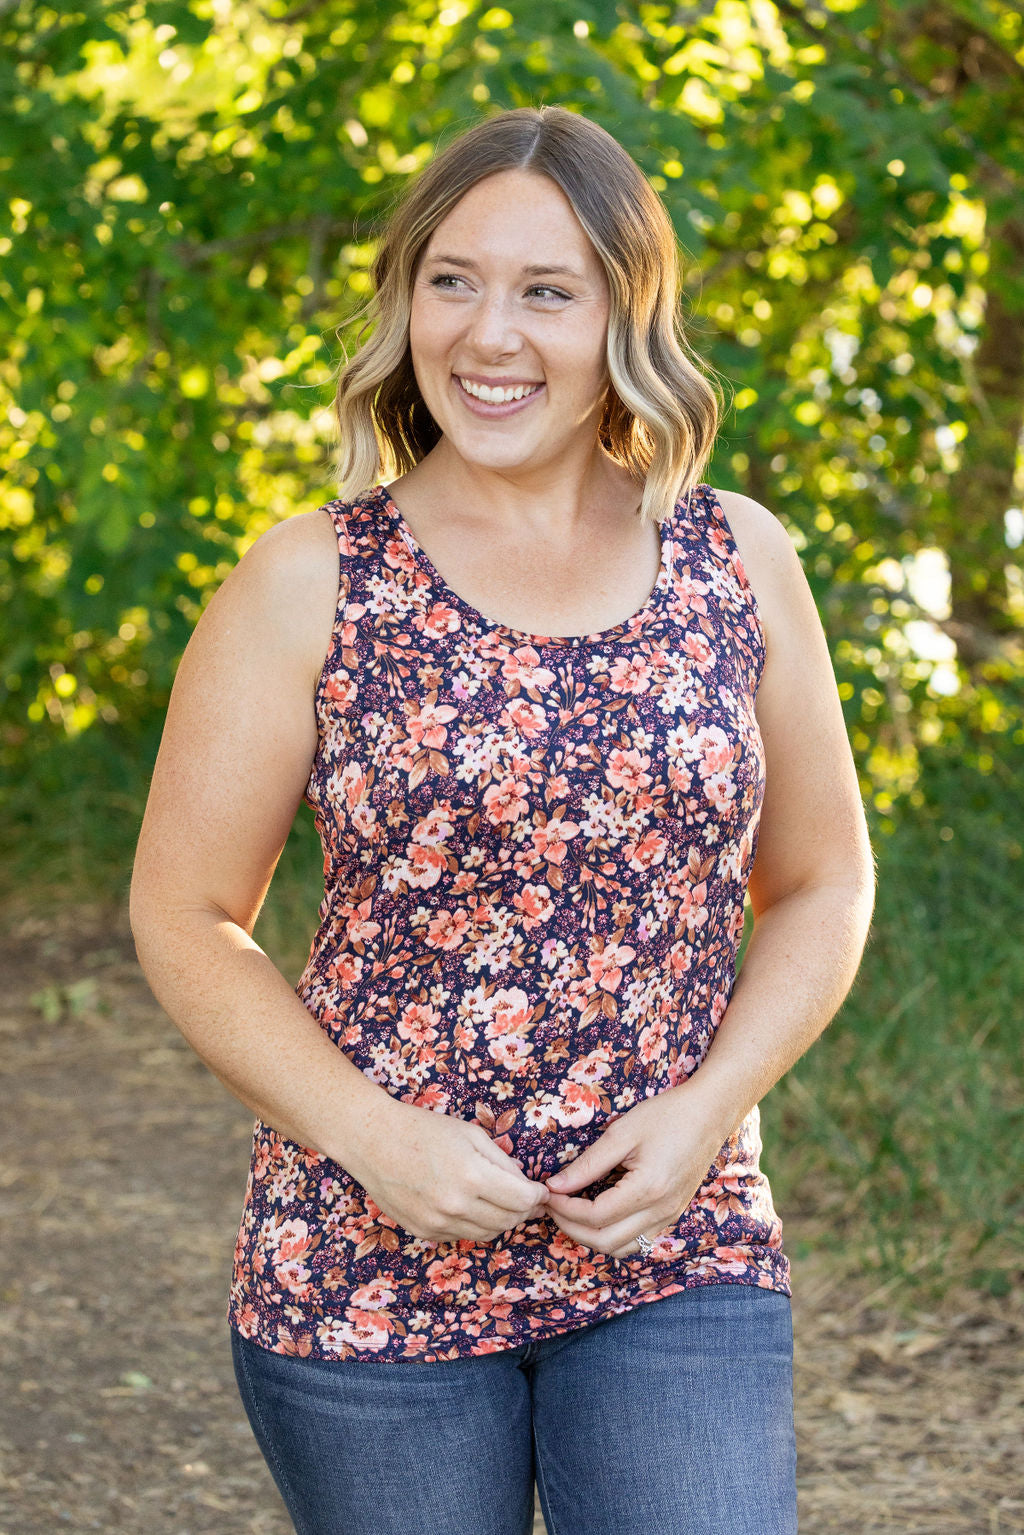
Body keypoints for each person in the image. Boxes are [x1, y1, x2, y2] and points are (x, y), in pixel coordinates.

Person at [129, 105, 874, 1535]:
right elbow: (184, 914)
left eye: (548, 291)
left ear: (625, 317)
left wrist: (708, 1115)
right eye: (452, 279)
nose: (489, 334)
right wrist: (371, 1137)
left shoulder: (739, 559)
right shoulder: (310, 581)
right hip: (365, 1261)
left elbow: (827, 881)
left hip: (671, 1244)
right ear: (407, 300)